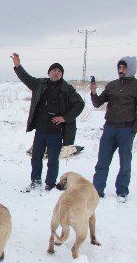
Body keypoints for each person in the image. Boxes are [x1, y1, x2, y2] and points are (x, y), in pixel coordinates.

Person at [11, 53, 84, 192]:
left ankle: (50, 184)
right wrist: (18, 66)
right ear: (49, 72)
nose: (56, 73)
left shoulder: (67, 89)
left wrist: (65, 118)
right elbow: (26, 78)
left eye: (59, 71)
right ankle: (35, 181)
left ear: (61, 74)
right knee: (36, 158)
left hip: (56, 132)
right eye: (54, 70)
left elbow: (79, 104)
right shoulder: (40, 84)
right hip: (40, 130)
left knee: (52, 161)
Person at [90, 57, 137, 203]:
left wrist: (133, 129)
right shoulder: (112, 85)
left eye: (124, 68)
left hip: (126, 130)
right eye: (119, 67)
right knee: (102, 162)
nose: (121, 70)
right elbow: (97, 103)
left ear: (131, 69)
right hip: (109, 129)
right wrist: (93, 93)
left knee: (125, 163)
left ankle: (122, 192)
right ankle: (97, 191)